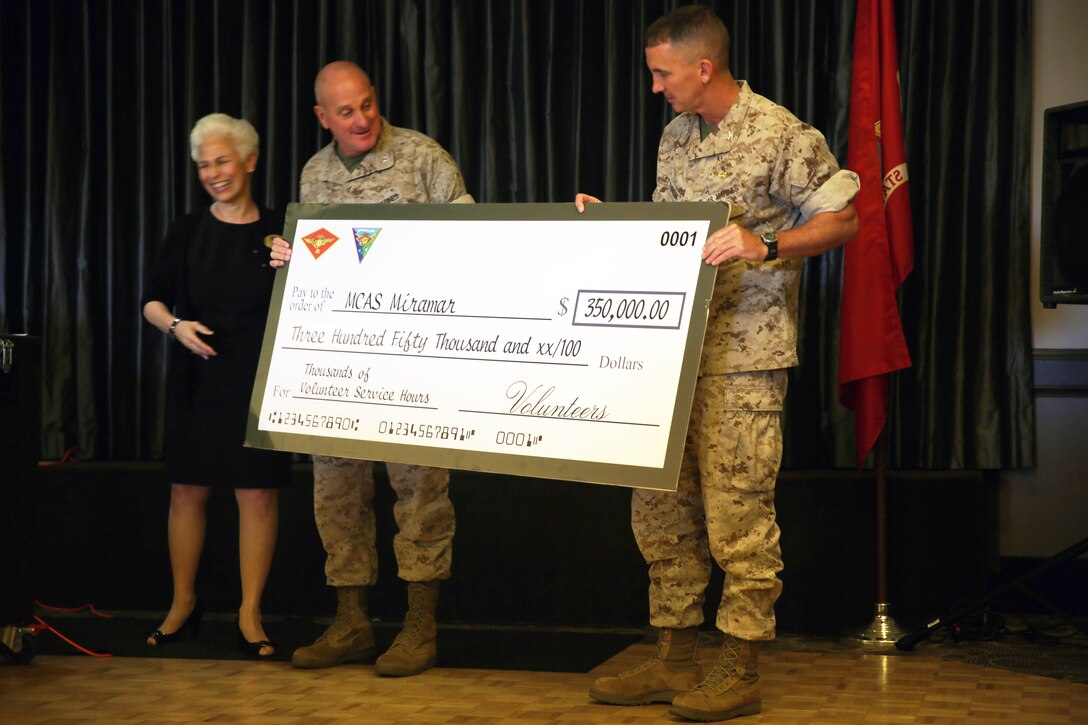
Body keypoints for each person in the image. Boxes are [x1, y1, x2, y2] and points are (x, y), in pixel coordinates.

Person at [576, 6, 859, 722]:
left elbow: (844, 217)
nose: (655, 88)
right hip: (670, 351)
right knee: (663, 507)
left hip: (745, 354)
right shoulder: (676, 135)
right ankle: (675, 655)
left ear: (703, 68)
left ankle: (739, 664)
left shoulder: (779, 131)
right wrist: (609, 220)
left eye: (662, 74)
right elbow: (671, 235)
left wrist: (767, 246)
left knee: (737, 509)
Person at [269, 61, 472, 677]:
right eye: (347, 112)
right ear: (322, 117)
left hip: (412, 356)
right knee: (335, 491)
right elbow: (323, 259)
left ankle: (419, 625)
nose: (362, 120)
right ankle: (352, 620)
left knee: (419, 490)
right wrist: (290, 259)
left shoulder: (420, 158)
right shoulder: (315, 173)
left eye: (368, 105)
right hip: (340, 361)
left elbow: (474, 238)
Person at [142, 113, 293, 658]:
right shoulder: (186, 229)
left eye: (222, 161)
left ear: (250, 161)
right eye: (204, 165)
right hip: (196, 379)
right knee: (188, 492)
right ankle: (183, 604)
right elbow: (152, 301)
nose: (213, 173)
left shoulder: (283, 230)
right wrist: (176, 327)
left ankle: (251, 614)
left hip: (258, 382)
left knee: (256, 496)